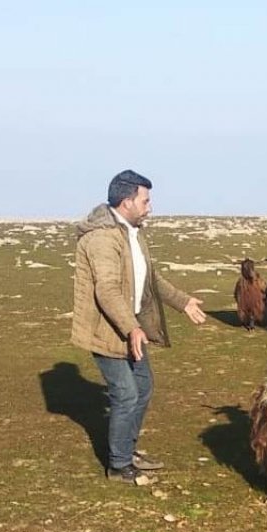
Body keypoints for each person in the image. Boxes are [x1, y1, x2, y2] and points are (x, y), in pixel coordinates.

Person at [70, 170, 207, 485]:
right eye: (145, 200)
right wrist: (131, 328)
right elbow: (106, 289)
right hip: (108, 331)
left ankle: (127, 450)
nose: (150, 207)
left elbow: (149, 279)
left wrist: (183, 302)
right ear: (126, 201)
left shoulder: (133, 233)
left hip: (134, 330)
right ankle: (118, 465)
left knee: (143, 388)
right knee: (126, 394)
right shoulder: (102, 238)